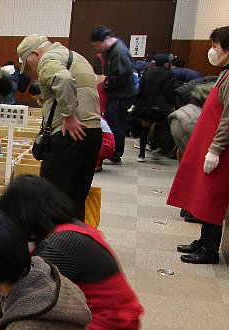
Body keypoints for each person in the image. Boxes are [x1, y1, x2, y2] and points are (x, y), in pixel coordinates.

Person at [0, 175, 143, 330]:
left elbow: (23, 295)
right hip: (116, 315)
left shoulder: (58, 245)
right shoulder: (69, 227)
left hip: (110, 323)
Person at [17, 34, 102, 221]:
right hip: (92, 131)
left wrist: (69, 115)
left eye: (28, 63)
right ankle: (72, 240)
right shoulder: (76, 56)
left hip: (69, 133)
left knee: (51, 196)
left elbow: (63, 79)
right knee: (76, 197)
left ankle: (52, 244)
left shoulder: (48, 58)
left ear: (35, 54)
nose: (31, 69)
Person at [167, 26, 229, 265]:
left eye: (215, 46)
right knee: (202, 194)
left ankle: (210, 249)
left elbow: (227, 120)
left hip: (220, 149)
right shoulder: (224, 73)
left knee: (211, 197)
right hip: (210, 143)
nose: (212, 51)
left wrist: (215, 150)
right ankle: (203, 241)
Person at [91, 26, 137, 165]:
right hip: (117, 94)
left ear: (106, 39)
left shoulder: (119, 51)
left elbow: (123, 74)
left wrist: (106, 80)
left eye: (97, 45)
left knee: (117, 125)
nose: (97, 48)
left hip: (120, 95)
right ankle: (114, 153)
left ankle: (115, 154)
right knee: (113, 123)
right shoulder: (114, 49)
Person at [131, 53, 176, 162]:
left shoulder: (147, 72)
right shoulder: (168, 74)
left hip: (145, 104)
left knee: (145, 128)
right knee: (161, 126)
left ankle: (141, 155)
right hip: (160, 106)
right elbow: (168, 91)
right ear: (166, 63)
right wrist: (172, 104)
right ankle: (157, 148)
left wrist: (135, 103)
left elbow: (140, 89)